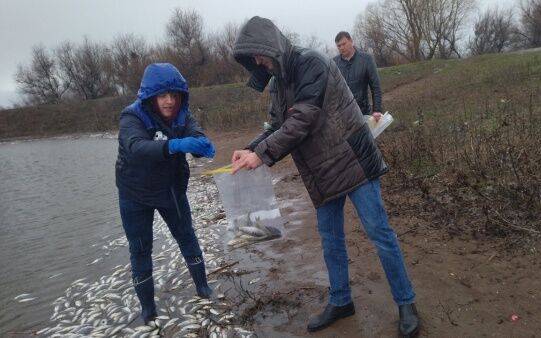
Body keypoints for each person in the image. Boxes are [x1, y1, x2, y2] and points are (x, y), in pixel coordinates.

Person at [230, 16, 420, 337]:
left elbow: (304, 117)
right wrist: (250, 148)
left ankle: (406, 302)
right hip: (323, 170)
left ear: (271, 47)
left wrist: (261, 155)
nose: (258, 62)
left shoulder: (311, 64)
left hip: (353, 159)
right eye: (252, 60)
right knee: (331, 240)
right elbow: (276, 126)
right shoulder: (277, 83)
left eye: (259, 55)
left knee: (379, 234)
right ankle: (341, 300)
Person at [115, 63, 215, 324]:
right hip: (134, 193)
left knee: (187, 237)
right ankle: (148, 309)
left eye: (174, 94)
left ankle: (203, 288)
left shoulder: (183, 114)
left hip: (170, 188)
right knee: (140, 250)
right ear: (151, 97)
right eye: (162, 95)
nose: (169, 101)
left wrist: (200, 144)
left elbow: (195, 132)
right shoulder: (131, 117)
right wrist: (174, 144)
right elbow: (136, 148)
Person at [333, 31, 383, 122]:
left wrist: (377, 110)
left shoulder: (366, 60)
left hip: (362, 113)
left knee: (365, 136)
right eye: (338, 46)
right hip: (342, 116)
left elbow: (375, 87)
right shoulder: (334, 63)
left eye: (344, 44)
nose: (341, 48)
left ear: (351, 41)